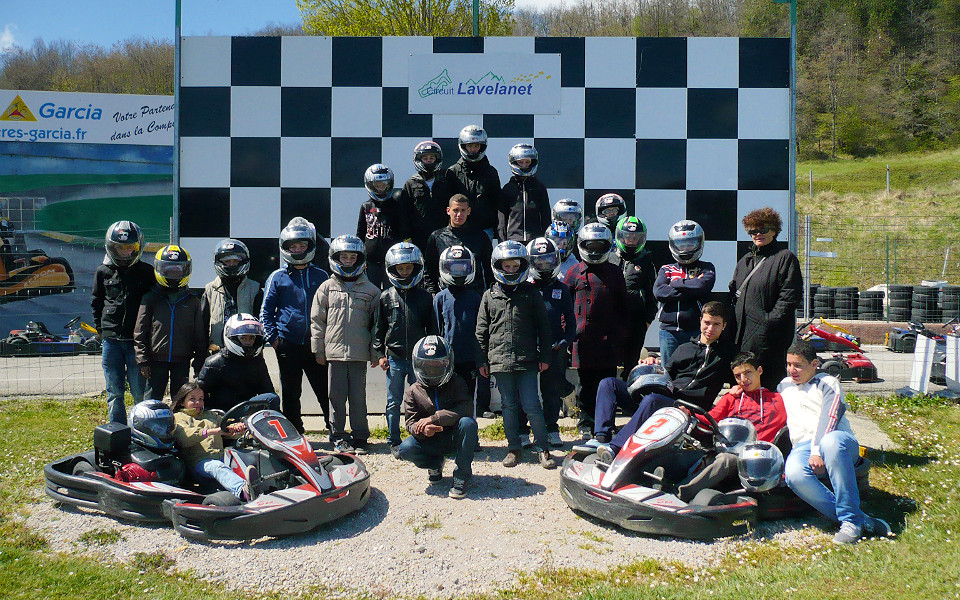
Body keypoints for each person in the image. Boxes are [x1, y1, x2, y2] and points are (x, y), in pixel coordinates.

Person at [779, 340, 890, 544]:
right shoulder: (784, 386)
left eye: (798, 365)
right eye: (788, 364)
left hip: (838, 439)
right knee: (794, 474)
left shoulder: (828, 382)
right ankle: (859, 520)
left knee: (830, 443)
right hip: (802, 446)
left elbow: (830, 418)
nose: (791, 370)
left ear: (814, 364)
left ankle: (849, 519)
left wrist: (816, 450)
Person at [591, 301, 736, 451]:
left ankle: (616, 447)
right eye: (707, 322)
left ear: (724, 326)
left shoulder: (728, 354)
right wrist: (652, 363)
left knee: (652, 400)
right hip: (664, 399)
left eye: (716, 324)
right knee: (609, 384)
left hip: (688, 409)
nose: (710, 328)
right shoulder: (684, 348)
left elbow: (742, 373)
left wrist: (738, 386)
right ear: (700, 320)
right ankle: (602, 439)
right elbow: (664, 376)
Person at [476, 241, 556, 468]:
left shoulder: (531, 293)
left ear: (523, 266)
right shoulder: (489, 295)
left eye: (515, 266)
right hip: (499, 362)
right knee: (509, 406)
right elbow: (481, 331)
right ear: (497, 266)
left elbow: (544, 328)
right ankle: (514, 449)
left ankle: (543, 449)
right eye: (507, 266)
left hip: (528, 360)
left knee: (532, 405)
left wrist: (545, 357)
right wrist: (482, 359)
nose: (511, 270)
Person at [671, 351, 786, 502]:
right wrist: (687, 415)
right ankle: (661, 476)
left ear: (760, 370)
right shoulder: (731, 398)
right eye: (738, 376)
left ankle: (678, 494)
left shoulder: (779, 399)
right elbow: (709, 420)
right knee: (701, 452)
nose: (743, 380)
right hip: (733, 451)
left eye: (748, 373)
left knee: (726, 459)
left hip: (760, 460)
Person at [311, 235, 380, 454]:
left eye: (353, 257)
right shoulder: (326, 288)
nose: (348, 261)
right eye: (344, 257)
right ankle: (338, 436)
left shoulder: (371, 291)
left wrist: (376, 352)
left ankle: (360, 437)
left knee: (358, 399)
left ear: (360, 259)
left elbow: (377, 326)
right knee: (336, 398)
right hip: (334, 354)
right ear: (335, 258)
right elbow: (317, 321)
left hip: (359, 354)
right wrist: (318, 350)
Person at [261, 217, 330, 435]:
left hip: (316, 345)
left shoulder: (322, 275)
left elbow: (331, 310)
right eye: (293, 246)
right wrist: (274, 340)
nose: (298, 249)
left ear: (310, 246)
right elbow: (265, 312)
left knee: (325, 391)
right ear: (286, 248)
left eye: (302, 245)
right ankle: (295, 434)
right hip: (287, 345)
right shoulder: (277, 276)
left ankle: (335, 431)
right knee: (290, 393)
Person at [563, 222, 628, 440]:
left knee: (607, 385)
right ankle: (585, 423)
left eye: (599, 247)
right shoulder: (574, 272)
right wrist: (567, 336)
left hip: (608, 341)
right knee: (585, 385)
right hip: (582, 341)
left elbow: (623, 307)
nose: (594, 251)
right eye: (590, 246)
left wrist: (619, 335)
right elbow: (565, 307)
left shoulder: (615, 272)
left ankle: (605, 424)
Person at [373, 242, 438, 458]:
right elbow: (378, 329)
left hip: (419, 360)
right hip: (394, 359)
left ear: (416, 268)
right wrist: (380, 354)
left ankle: (420, 436)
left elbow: (434, 329)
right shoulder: (385, 296)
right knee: (394, 402)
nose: (404, 272)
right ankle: (393, 441)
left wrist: (432, 356)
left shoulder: (426, 297)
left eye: (408, 268)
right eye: (400, 268)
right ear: (392, 270)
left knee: (421, 401)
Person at [729, 207, 803, 389]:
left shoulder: (785, 258)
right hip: (742, 339)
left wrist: (768, 323)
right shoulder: (745, 261)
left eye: (764, 230)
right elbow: (734, 294)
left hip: (770, 341)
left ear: (774, 231)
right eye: (753, 231)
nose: (758, 234)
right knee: (744, 386)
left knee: (768, 387)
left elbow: (790, 297)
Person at [398, 335, 478, 499]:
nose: (432, 370)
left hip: (455, 439)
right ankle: (435, 465)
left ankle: (461, 477)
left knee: (468, 423)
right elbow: (410, 423)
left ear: (447, 363)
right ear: (417, 364)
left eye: (437, 365)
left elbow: (466, 408)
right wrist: (422, 430)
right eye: (427, 366)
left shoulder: (456, 381)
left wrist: (434, 418)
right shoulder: (412, 391)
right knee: (405, 449)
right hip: (431, 441)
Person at [92, 220, 155, 424]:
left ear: (137, 248)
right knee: (114, 392)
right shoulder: (103, 271)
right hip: (111, 341)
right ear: (112, 247)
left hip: (136, 343)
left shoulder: (147, 272)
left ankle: (139, 430)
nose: (125, 252)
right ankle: (117, 430)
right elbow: (96, 302)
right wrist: (102, 331)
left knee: (139, 392)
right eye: (121, 247)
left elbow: (154, 305)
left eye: (130, 248)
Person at [134, 245, 207, 401]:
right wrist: (143, 359)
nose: (173, 274)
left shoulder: (193, 300)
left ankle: (179, 425)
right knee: (152, 399)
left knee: (180, 400)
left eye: (178, 270)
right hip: (155, 360)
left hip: (182, 360)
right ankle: (149, 424)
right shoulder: (150, 298)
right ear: (160, 269)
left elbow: (199, 335)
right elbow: (140, 331)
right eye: (169, 270)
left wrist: (199, 362)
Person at [526, 237, 575, 448]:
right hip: (529, 348)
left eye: (548, 260)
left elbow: (571, 321)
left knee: (551, 390)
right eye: (539, 261)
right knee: (526, 392)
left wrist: (565, 341)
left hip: (555, 347)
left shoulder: (562, 288)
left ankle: (552, 429)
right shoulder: (524, 287)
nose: (544, 265)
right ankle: (522, 431)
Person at [171, 382, 255, 501]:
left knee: (247, 455)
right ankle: (243, 491)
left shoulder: (210, 415)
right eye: (192, 399)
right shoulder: (178, 417)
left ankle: (265, 483)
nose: (198, 403)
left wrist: (238, 428)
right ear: (182, 401)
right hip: (198, 464)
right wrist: (213, 431)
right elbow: (185, 439)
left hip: (221, 457)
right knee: (217, 466)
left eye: (201, 399)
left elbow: (227, 426)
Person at [433, 245, 489, 418]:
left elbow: (481, 331)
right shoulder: (440, 297)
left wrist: (481, 360)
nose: (458, 272)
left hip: (469, 360)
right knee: (445, 400)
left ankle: (470, 439)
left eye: (462, 267)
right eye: (454, 267)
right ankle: (449, 439)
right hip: (447, 361)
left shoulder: (475, 298)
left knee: (467, 399)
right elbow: (436, 330)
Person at [654, 220, 716, 364]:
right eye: (681, 244)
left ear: (699, 243)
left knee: (694, 370)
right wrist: (690, 289)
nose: (685, 248)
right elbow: (659, 292)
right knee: (669, 372)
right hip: (668, 332)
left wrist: (675, 283)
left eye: (690, 243)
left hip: (695, 330)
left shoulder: (706, 267)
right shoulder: (666, 269)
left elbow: (702, 286)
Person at [196, 313, 277, 412]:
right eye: (243, 338)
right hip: (222, 413)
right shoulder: (214, 363)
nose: (248, 342)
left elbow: (268, 391)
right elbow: (198, 394)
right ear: (231, 337)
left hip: (248, 411)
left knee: (273, 398)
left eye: (252, 338)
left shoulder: (257, 361)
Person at [423, 194, 495, 294]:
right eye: (455, 210)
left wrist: (490, 296)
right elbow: (429, 271)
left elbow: (489, 269)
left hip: (475, 295)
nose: (459, 214)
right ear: (448, 211)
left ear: (469, 211)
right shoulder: (437, 237)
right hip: (446, 295)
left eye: (463, 210)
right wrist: (433, 294)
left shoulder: (480, 236)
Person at [201, 239, 263, 354]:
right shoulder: (210, 289)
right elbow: (202, 326)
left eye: (235, 261)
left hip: (247, 351)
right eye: (227, 261)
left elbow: (262, 324)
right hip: (217, 351)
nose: (231, 264)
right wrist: (201, 357)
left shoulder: (255, 288)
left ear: (244, 261)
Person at [613, 215, 657, 379]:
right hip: (612, 321)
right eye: (628, 236)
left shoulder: (646, 262)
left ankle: (629, 400)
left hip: (636, 321)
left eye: (635, 237)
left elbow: (653, 296)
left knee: (631, 365)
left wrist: (647, 321)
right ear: (620, 236)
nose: (631, 241)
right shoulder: (610, 258)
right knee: (610, 362)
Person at [444, 125, 501, 240]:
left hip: (485, 229)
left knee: (484, 258)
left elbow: (497, 202)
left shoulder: (491, 172)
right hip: (458, 230)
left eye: (476, 146)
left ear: (482, 146)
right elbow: (446, 202)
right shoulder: (452, 172)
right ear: (463, 146)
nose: (473, 149)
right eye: (470, 146)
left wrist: (498, 230)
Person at [397, 140, 453, 253]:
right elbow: (404, 214)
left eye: (431, 158)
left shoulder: (447, 180)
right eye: (425, 158)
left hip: (443, 236)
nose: (428, 161)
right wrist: (407, 238)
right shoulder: (411, 183)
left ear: (437, 159)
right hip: (418, 238)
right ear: (419, 160)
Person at [357, 163, 405, 289]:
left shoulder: (396, 206)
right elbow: (360, 235)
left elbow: (402, 232)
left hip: (391, 260)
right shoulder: (365, 207)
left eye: (383, 185)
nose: (380, 188)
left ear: (389, 185)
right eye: (377, 185)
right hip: (371, 262)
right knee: (371, 293)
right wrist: (361, 258)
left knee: (391, 293)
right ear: (370, 185)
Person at [498, 144, 551, 244]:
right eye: (520, 162)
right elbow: (501, 220)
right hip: (513, 240)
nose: (524, 165)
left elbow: (546, 217)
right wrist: (502, 242)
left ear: (533, 162)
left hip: (535, 240)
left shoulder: (539, 188)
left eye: (527, 162)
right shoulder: (508, 189)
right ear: (514, 162)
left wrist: (546, 240)